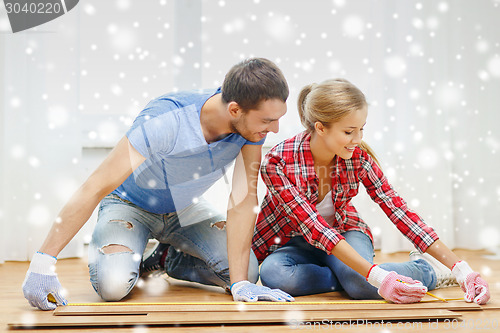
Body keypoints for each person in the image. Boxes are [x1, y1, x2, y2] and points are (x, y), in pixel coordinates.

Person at [22, 58, 294, 311]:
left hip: (184, 208)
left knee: (246, 272)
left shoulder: (250, 127)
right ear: (234, 109)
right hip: (129, 205)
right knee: (113, 286)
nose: (275, 129)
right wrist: (42, 263)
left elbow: (243, 198)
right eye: (268, 120)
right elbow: (94, 186)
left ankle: (165, 259)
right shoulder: (165, 120)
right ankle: (129, 248)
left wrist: (239, 284)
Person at [252, 79, 490, 304]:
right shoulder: (277, 162)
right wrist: (375, 277)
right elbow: (313, 226)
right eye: (348, 132)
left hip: (345, 231)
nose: (358, 139)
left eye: (361, 129)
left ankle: (427, 270)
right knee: (274, 274)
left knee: (361, 282)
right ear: (320, 128)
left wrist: (461, 269)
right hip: (296, 240)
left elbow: (398, 210)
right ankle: (350, 276)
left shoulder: (359, 158)